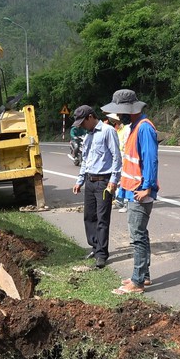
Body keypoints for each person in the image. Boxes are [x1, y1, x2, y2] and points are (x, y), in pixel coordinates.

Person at [102, 90, 159, 295]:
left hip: (140, 192)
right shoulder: (134, 127)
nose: (118, 117)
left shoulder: (143, 128)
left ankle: (137, 281)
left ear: (129, 110)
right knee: (141, 234)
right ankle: (143, 275)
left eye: (121, 112)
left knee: (137, 237)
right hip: (133, 190)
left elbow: (151, 160)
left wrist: (147, 187)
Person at [71, 105, 122, 269]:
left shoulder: (108, 131)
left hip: (103, 182)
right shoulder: (88, 136)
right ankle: (95, 246)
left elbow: (116, 157)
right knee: (89, 217)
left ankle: (102, 254)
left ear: (91, 117)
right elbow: (85, 160)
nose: (82, 126)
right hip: (90, 181)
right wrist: (80, 181)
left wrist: (114, 180)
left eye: (83, 122)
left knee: (102, 219)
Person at [106, 113, 131, 213]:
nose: (114, 124)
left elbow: (126, 146)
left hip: (124, 158)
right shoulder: (117, 131)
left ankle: (126, 203)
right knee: (117, 180)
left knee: (124, 182)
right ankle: (119, 201)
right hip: (117, 158)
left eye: (115, 122)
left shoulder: (126, 129)